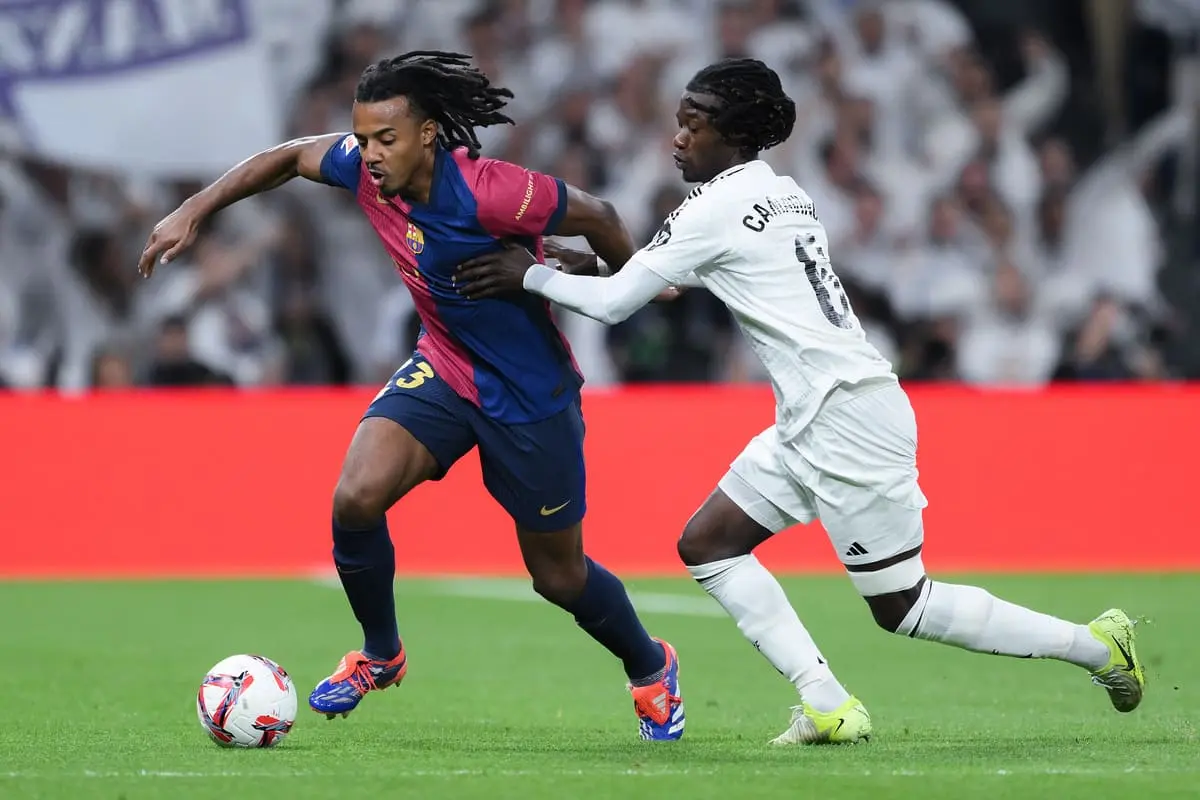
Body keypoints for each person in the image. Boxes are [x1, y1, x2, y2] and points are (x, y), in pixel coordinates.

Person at [455, 58, 1145, 745]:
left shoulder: (714, 206)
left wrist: (532, 274)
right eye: (677, 123)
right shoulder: (781, 192)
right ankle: (826, 703)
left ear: (732, 133)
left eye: (693, 125)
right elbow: (672, 281)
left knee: (905, 606)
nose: (677, 138)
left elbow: (613, 307)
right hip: (817, 413)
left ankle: (1097, 646)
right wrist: (591, 266)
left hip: (846, 417)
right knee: (709, 545)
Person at [138, 52, 684, 741]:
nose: (368, 155)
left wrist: (622, 276)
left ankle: (650, 666)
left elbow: (599, 212)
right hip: (445, 369)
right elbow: (285, 157)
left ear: (428, 133)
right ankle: (380, 653)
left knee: (559, 576)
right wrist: (194, 208)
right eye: (362, 138)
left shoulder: (493, 191)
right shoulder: (364, 170)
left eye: (385, 139)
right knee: (355, 496)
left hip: (529, 398)